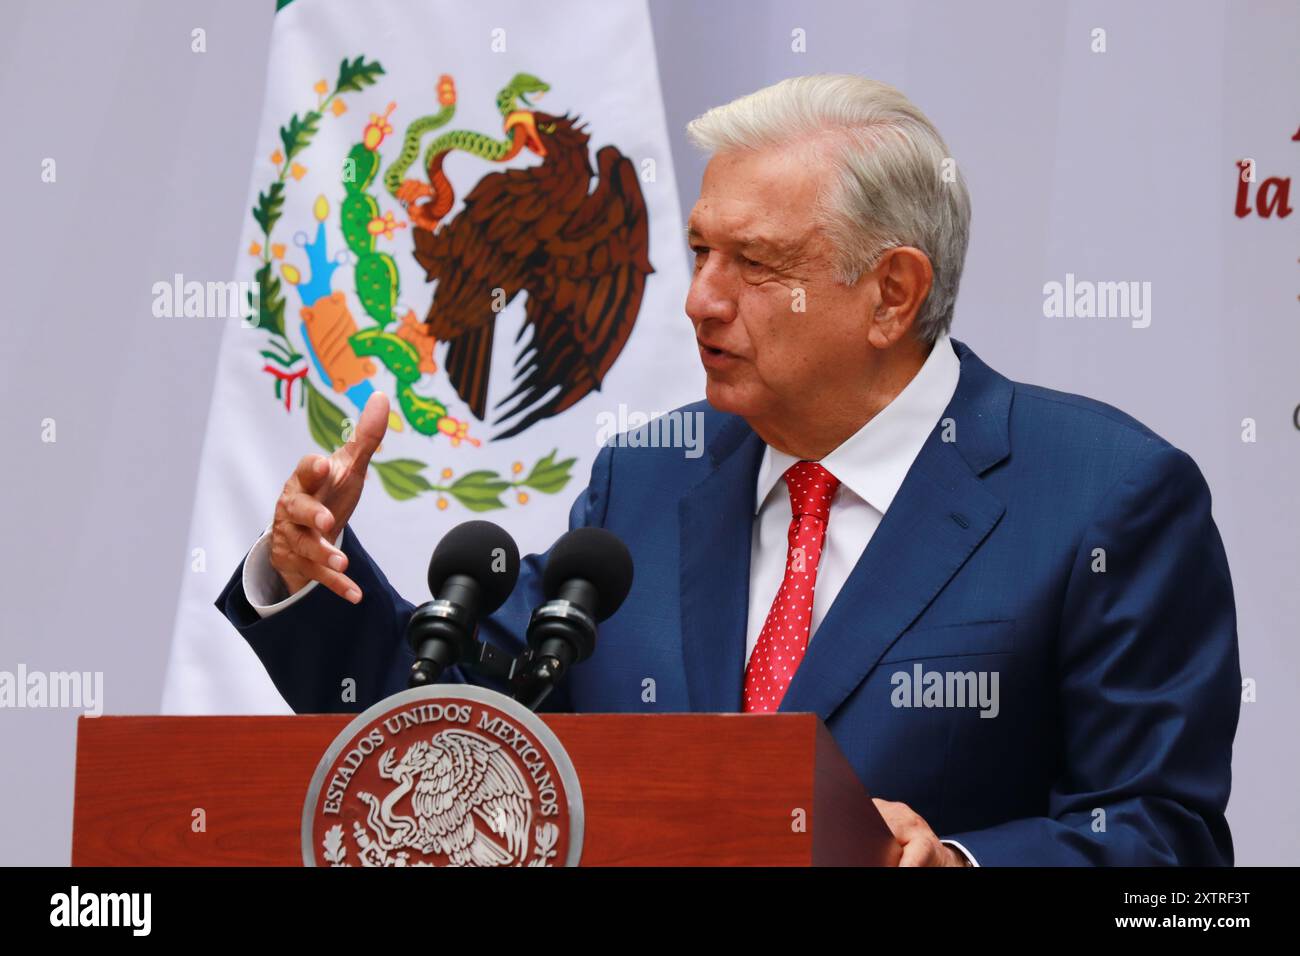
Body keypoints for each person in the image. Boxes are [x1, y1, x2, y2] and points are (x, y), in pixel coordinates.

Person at [216, 75, 1240, 866]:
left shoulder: (1102, 497)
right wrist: (305, 578)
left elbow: (1165, 844)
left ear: (890, 292)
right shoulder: (648, 480)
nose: (699, 300)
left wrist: (961, 862)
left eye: (754, 265)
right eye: (700, 252)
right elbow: (468, 735)